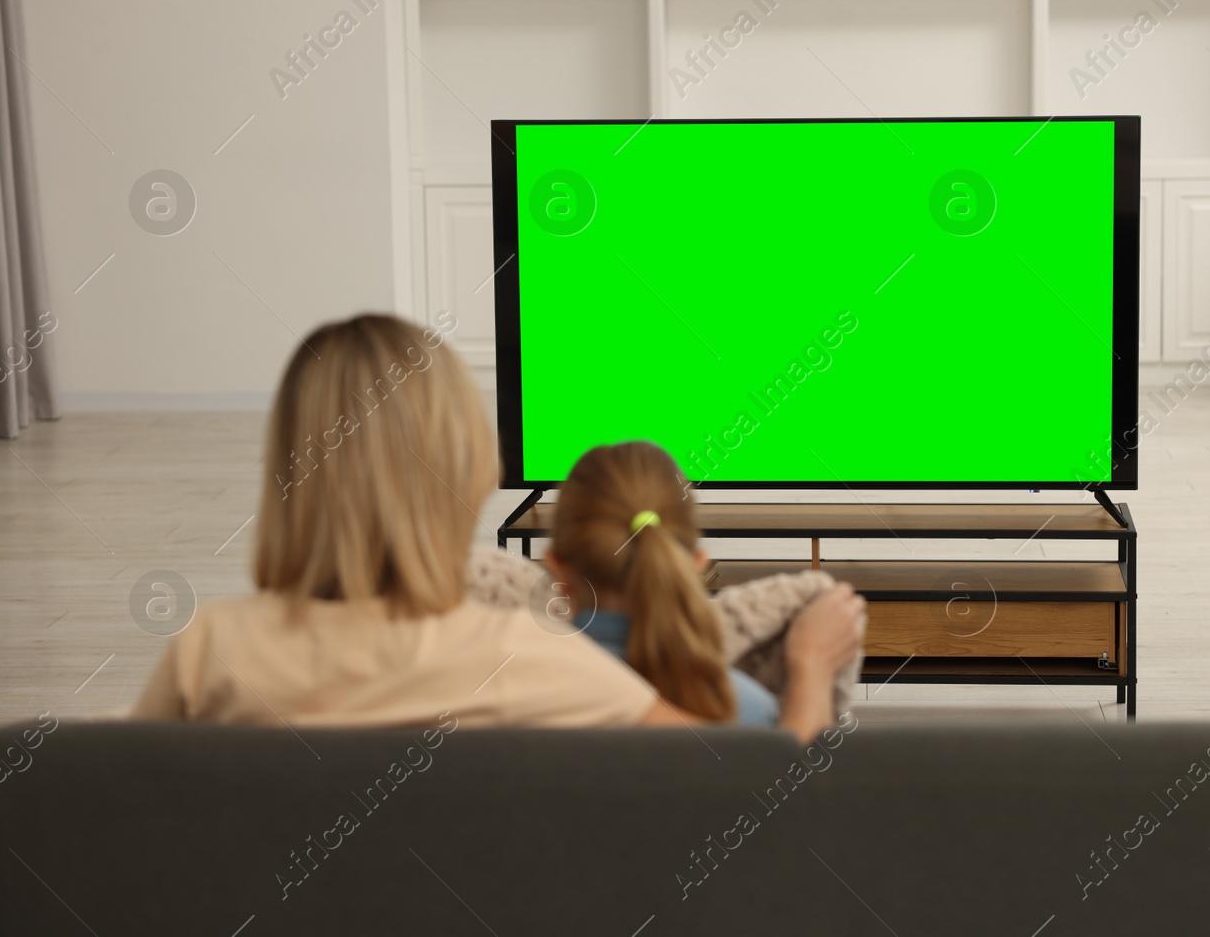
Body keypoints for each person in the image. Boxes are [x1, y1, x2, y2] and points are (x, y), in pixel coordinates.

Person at [130, 314, 861, 743]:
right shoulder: (526, 659)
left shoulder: (210, 648)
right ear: (465, 470)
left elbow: (110, 800)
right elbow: (760, 791)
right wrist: (807, 668)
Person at [548, 442, 834, 728]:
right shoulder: (745, 709)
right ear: (695, 564)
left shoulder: (516, 692)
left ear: (557, 568)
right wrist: (813, 668)